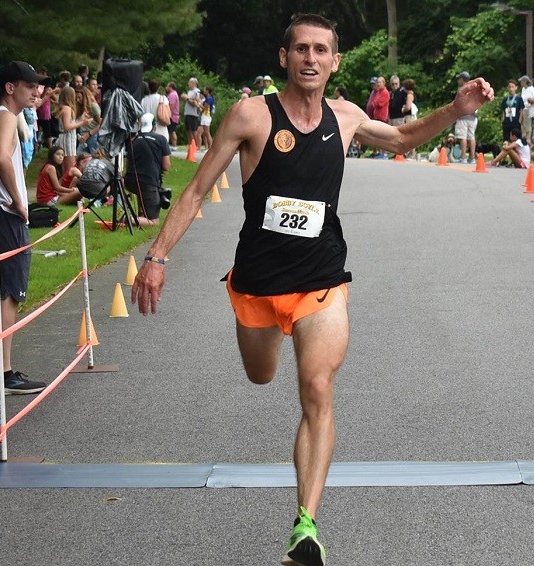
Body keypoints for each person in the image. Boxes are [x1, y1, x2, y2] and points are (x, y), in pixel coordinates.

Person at [130, 13, 493, 566]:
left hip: (321, 279)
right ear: (284, 58)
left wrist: (455, 110)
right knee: (261, 374)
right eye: (300, 48)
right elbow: (197, 191)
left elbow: (400, 138)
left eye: (321, 50)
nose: (310, 58)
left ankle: (306, 527)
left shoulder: (346, 117)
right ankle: (268, 343)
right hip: (256, 282)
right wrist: (156, 257)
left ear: (335, 61)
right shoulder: (251, 115)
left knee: (317, 387)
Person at [0, 61, 49, 395]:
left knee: (0, 293)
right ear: (10, 87)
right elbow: (1, 157)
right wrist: (19, 200)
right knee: (10, 294)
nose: (35, 91)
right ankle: (4, 372)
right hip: (5, 214)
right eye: (29, 85)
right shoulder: (7, 116)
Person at [124, 113, 171, 227]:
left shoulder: (133, 140)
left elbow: (127, 164)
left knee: (142, 191)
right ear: (154, 126)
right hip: (148, 183)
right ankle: (130, 219)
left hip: (129, 182)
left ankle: (140, 215)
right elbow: (166, 166)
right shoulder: (161, 139)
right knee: (154, 221)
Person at [454, 71, 478, 164]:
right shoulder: (473, 88)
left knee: (462, 136)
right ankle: (472, 158)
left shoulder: (462, 89)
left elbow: (458, 103)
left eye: (459, 79)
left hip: (463, 115)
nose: (458, 81)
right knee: (471, 136)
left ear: (462, 79)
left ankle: (463, 157)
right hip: (472, 116)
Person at [181, 77, 202, 149]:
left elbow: (195, 103)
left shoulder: (197, 91)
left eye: (189, 83)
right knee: (188, 130)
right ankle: (190, 144)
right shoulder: (189, 92)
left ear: (194, 83)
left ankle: (196, 145)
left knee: (194, 130)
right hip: (187, 112)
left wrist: (186, 98)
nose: (188, 84)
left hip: (193, 113)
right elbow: (190, 100)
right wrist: (186, 98)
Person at [518, 75, 534, 142]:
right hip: (523, 109)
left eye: (522, 81)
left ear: (525, 82)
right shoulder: (523, 89)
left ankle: (528, 139)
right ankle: (524, 137)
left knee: (527, 125)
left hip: (528, 109)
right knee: (522, 124)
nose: (520, 82)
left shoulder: (532, 89)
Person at [165, 81, 181, 149]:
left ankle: (174, 145)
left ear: (170, 87)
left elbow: (171, 106)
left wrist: (168, 115)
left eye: (167, 86)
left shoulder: (172, 95)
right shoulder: (172, 94)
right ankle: (173, 145)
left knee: (171, 131)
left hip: (172, 116)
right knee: (170, 131)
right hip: (173, 115)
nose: (166, 87)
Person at [200, 86, 215, 150]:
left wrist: (199, 105)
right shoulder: (209, 98)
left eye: (205, 90)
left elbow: (206, 108)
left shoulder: (209, 99)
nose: (204, 91)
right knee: (206, 132)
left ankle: (210, 147)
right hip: (206, 116)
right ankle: (209, 146)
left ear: (207, 91)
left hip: (206, 116)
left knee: (207, 132)